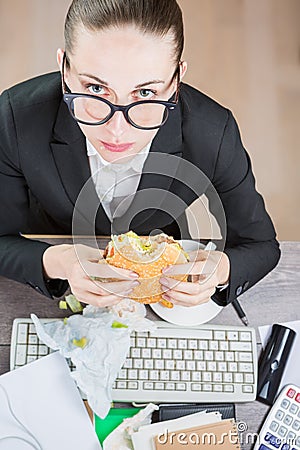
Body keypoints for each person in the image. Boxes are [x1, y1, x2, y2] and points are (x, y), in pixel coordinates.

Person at [0, 0, 280, 310]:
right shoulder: (15, 119)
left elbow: (261, 245)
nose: (117, 131)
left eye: (145, 93)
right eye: (94, 89)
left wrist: (221, 270)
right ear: (64, 69)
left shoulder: (213, 132)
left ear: (176, 82)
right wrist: (57, 261)